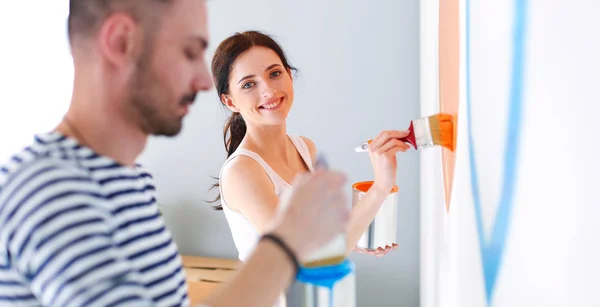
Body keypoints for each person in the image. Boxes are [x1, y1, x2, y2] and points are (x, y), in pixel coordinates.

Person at [0, 1, 351, 307]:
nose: (202, 81)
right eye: (188, 52)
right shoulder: (49, 189)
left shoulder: (131, 181)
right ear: (121, 42)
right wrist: (285, 242)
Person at [210, 31, 411, 306]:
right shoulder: (242, 172)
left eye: (274, 73)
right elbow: (300, 256)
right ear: (230, 101)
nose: (268, 90)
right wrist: (380, 187)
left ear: (290, 75)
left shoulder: (305, 148)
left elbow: (318, 239)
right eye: (248, 85)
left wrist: (358, 236)